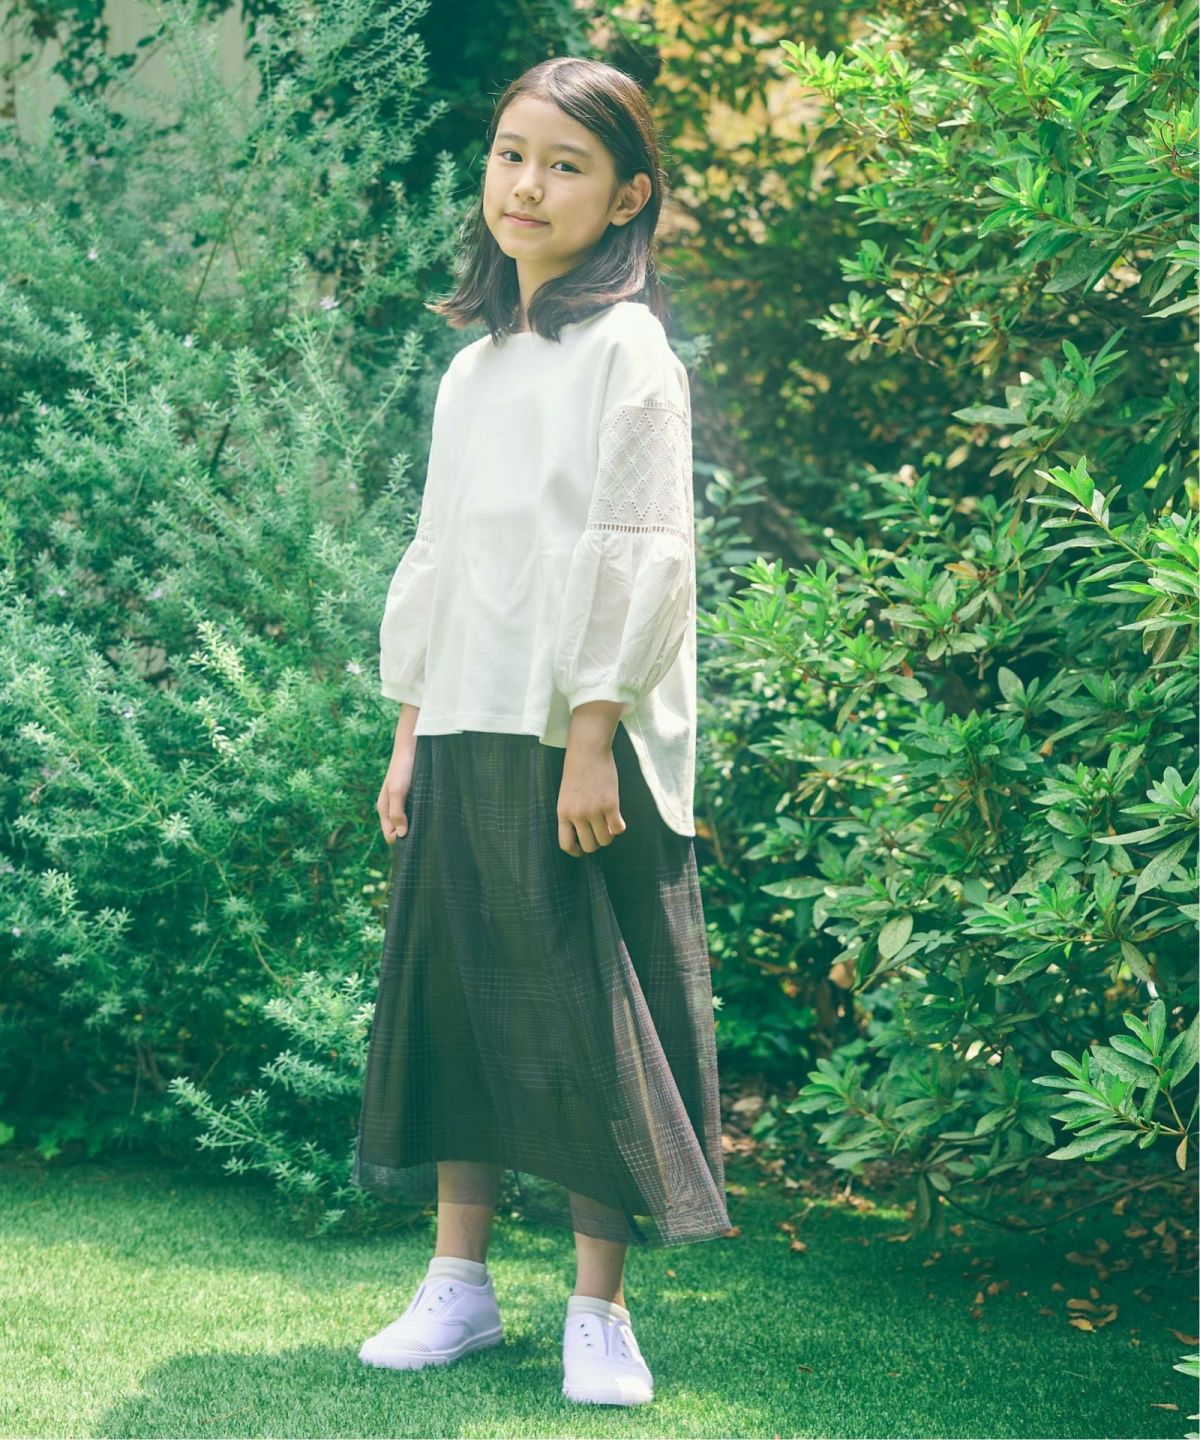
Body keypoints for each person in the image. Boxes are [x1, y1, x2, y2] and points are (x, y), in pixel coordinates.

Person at [350, 54, 731, 1408]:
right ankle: (456, 1288)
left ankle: (597, 1312)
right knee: (460, 996)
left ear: (626, 197)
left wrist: (591, 737)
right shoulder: (471, 370)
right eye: (512, 154)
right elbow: (440, 556)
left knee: (587, 1012)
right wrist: (409, 731)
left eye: (566, 165)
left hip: (580, 737)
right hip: (466, 718)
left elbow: (641, 550)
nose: (527, 185)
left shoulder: (630, 353)